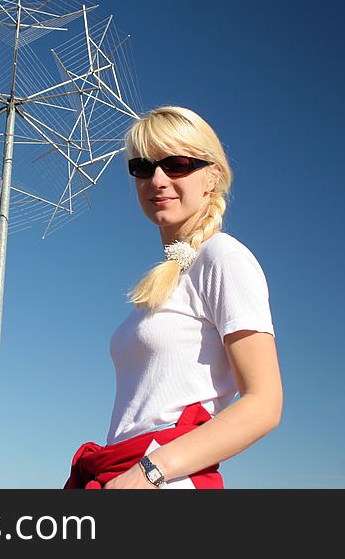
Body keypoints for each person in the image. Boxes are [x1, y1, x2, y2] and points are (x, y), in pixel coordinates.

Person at [64, 105, 283, 489]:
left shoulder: (223, 257)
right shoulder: (168, 278)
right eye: (143, 167)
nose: (158, 180)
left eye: (177, 163)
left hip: (163, 479)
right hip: (123, 474)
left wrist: (149, 472)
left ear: (212, 175)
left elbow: (264, 404)